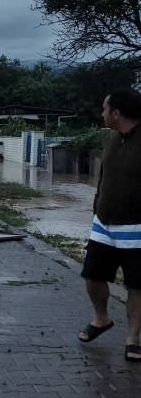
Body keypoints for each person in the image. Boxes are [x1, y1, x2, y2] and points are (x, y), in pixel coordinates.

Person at [79, 87, 141, 362]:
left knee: (137, 285)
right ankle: (101, 319)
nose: (101, 112)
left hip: (136, 227)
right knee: (92, 275)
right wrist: (97, 207)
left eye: (104, 108)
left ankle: (132, 339)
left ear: (116, 112)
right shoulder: (111, 139)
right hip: (103, 223)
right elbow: (103, 178)